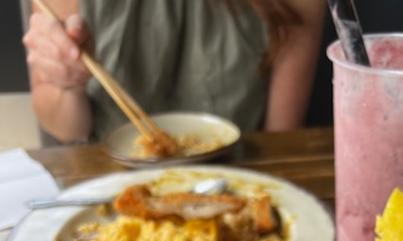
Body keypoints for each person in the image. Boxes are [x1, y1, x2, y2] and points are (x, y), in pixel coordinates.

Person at [22, 0, 326, 143]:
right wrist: (67, 83)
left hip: (239, 174)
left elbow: (280, 140)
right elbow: (66, 128)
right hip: (109, 181)